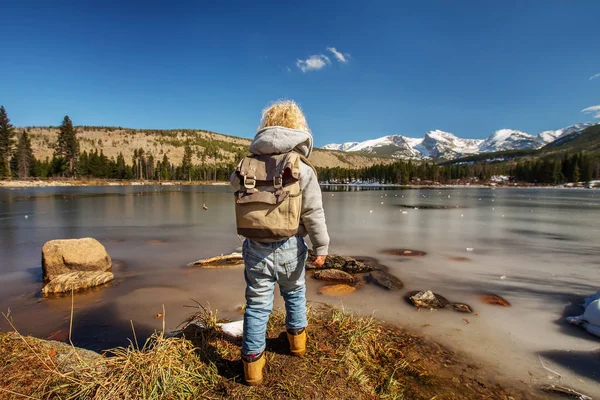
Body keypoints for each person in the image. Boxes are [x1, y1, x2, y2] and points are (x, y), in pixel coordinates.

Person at [230, 100, 329, 385]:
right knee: (295, 294)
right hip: (290, 246)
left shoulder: (247, 163)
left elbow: (233, 184)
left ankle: (252, 367)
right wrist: (321, 247)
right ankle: (297, 344)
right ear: (298, 129)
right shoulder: (302, 168)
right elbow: (313, 212)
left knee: (257, 304)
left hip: (255, 247)